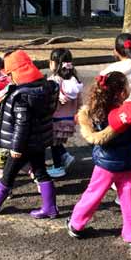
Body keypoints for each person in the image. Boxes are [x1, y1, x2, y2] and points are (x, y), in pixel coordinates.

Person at [66, 72, 131, 247]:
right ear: (122, 93)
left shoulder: (96, 111)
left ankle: (76, 224)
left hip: (105, 163)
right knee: (129, 199)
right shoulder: (130, 112)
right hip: (128, 162)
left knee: (93, 194)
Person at [0, 50, 60, 219]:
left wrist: (16, 147)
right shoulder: (45, 88)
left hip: (22, 145)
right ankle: (50, 207)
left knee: (8, 174)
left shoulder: (21, 96)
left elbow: (22, 124)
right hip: (39, 141)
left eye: (9, 74)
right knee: (41, 171)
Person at [47, 48, 83, 178]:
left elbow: (48, 101)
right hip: (69, 120)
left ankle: (58, 167)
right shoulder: (75, 81)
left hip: (55, 121)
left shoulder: (53, 81)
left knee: (54, 144)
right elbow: (79, 101)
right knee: (57, 142)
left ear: (53, 63)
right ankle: (65, 156)